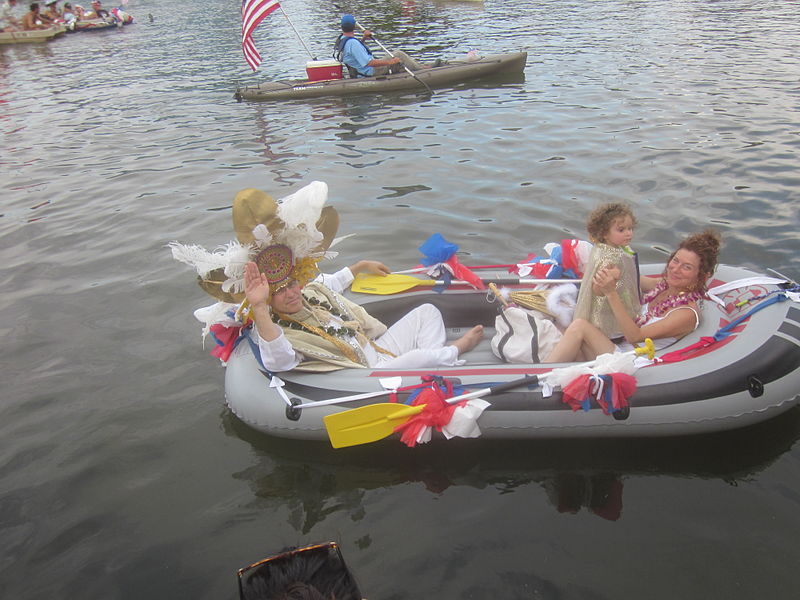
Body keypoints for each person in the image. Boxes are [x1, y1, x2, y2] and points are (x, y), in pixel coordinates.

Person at [244, 251, 484, 372]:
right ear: (268, 299)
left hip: (379, 347)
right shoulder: (282, 333)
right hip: (368, 372)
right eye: (280, 291)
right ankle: (454, 351)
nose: (291, 293)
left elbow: (332, 281)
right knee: (417, 357)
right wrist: (258, 307)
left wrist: (361, 266)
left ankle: (432, 365)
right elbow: (278, 362)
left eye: (292, 284)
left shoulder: (313, 293)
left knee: (428, 311)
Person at [545, 229, 721, 362]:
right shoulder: (663, 285)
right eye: (675, 261)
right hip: (615, 345)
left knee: (580, 327)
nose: (675, 269)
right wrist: (614, 271)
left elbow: (635, 335)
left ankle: (538, 378)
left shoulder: (686, 314)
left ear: (702, 275)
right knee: (565, 326)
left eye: (687, 267)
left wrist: (611, 293)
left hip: (631, 360)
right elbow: (633, 279)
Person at [572, 202, 640, 337]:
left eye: (630, 228)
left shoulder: (604, 247)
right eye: (621, 230)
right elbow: (597, 289)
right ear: (604, 233)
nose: (628, 233)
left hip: (619, 298)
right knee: (612, 326)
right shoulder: (609, 259)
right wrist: (612, 278)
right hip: (605, 315)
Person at [333, 13, 429, 78]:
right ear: (354, 27)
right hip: (371, 71)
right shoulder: (352, 43)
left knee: (396, 55)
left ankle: (421, 66)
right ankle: (422, 70)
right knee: (399, 55)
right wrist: (390, 62)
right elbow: (369, 63)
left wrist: (364, 38)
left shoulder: (343, 39)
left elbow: (354, 53)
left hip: (362, 68)